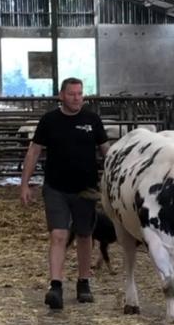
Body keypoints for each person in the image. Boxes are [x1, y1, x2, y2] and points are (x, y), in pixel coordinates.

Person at [20, 77, 110, 310]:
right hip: (56, 187)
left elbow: (106, 152)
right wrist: (24, 183)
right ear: (61, 95)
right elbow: (34, 151)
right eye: (71, 94)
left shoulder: (92, 120)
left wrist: (113, 182)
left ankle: (84, 281)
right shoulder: (49, 120)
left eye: (80, 94)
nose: (76, 98)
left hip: (86, 189)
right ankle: (56, 285)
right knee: (58, 235)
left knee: (84, 235)